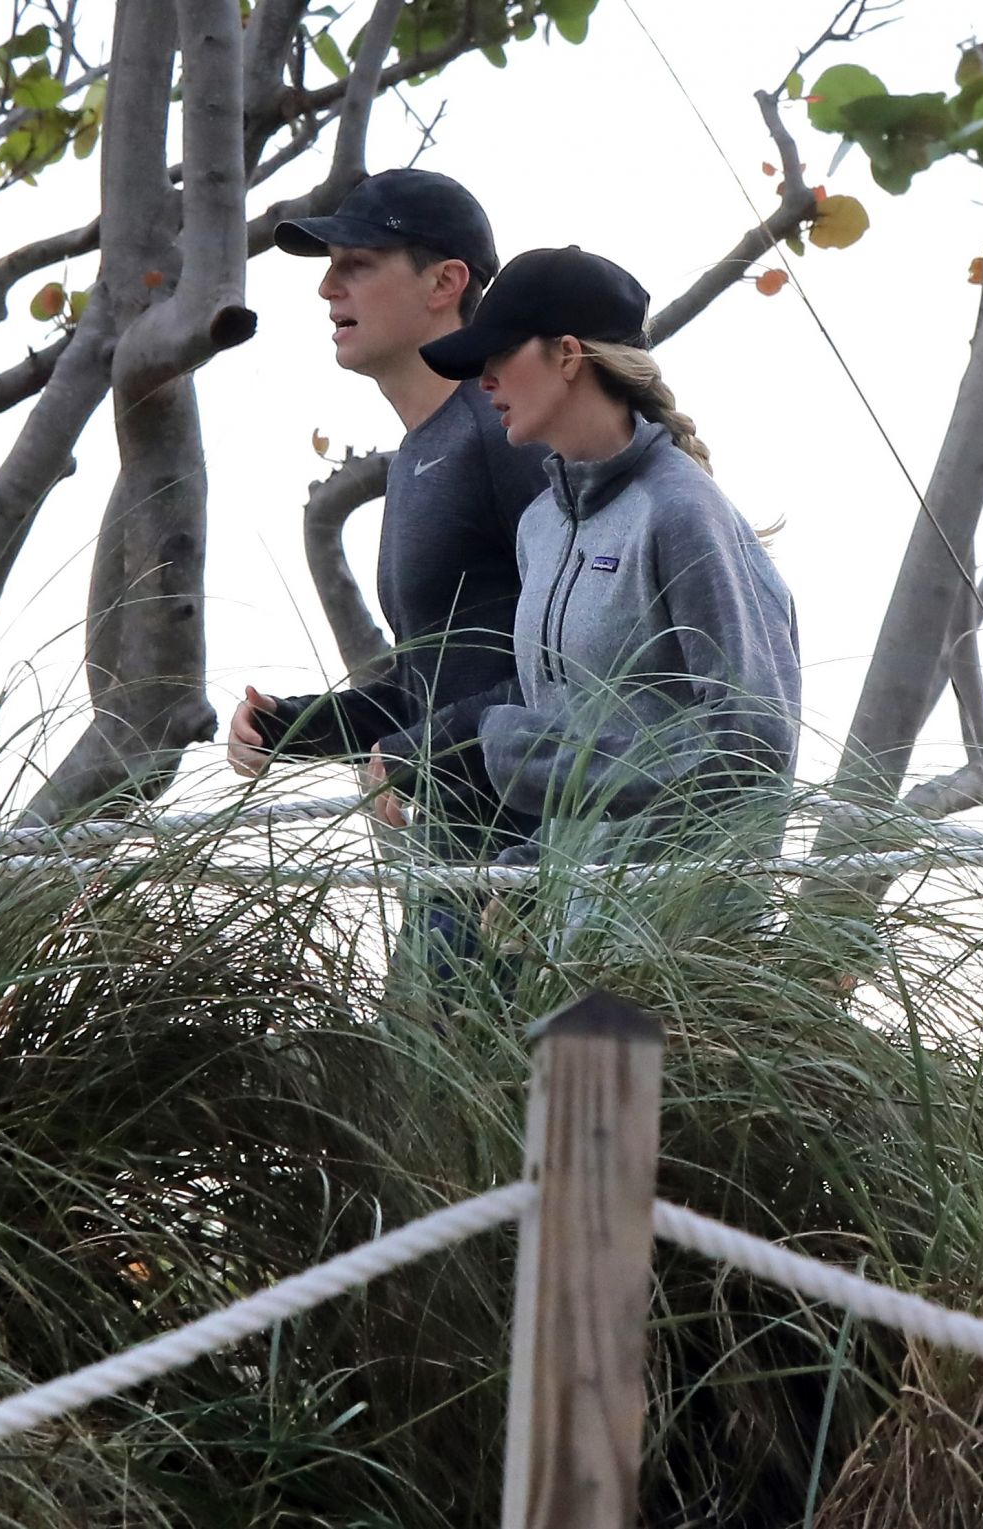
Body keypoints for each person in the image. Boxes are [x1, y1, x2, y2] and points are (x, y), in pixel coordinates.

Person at [227, 170, 549, 973]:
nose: (328, 287)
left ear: (446, 282)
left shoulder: (510, 438)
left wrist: (426, 746)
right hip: (449, 871)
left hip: (533, 883)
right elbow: (427, 682)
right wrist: (292, 727)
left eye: (358, 263)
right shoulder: (419, 455)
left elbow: (581, 667)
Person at [418, 246, 801, 913]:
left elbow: (753, 742)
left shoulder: (681, 511)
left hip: (688, 955)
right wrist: (533, 871)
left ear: (567, 356)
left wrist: (543, 764)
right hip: (574, 957)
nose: (483, 381)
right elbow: (593, 739)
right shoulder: (539, 527)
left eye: (499, 354)